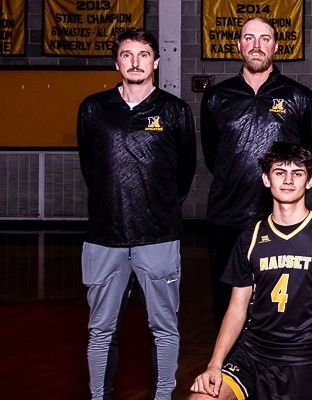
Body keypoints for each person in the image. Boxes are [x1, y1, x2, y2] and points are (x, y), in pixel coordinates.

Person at [76, 28, 196, 400]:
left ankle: (163, 395)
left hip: (158, 236)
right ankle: (99, 395)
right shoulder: (94, 108)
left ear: (156, 62)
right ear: (117, 62)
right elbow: (89, 167)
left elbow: (185, 172)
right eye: (127, 55)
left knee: (164, 327)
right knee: (100, 329)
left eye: (143, 55)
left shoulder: (174, 110)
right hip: (104, 237)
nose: (135, 62)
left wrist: (156, 207)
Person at [188, 142, 312, 399]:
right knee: (202, 397)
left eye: (297, 173)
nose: (288, 180)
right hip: (253, 353)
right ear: (266, 179)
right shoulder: (250, 236)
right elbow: (237, 307)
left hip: (303, 357)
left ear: (309, 181)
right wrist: (214, 364)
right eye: (279, 172)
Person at [202, 17, 312, 322]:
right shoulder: (218, 97)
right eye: (249, 38)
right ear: (239, 45)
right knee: (226, 299)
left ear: (276, 46)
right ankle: (229, 364)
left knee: (279, 301)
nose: (257, 45)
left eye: (265, 39)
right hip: (227, 218)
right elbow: (212, 154)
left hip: (281, 220)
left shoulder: (299, 95)